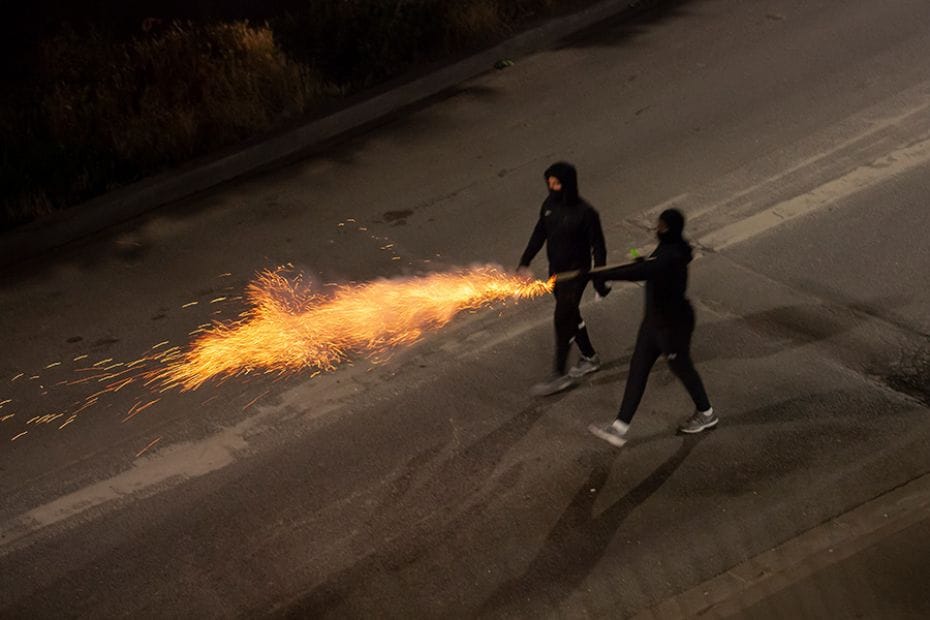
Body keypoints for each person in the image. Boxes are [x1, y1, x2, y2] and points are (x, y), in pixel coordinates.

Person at [587, 208, 716, 447]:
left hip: (671, 327)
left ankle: (706, 413)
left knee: (683, 369)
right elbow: (647, 267)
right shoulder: (668, 248)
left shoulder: (673, 254)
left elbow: (643, 271)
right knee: (638, 369)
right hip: (653, 324)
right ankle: (619, 427)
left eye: (662, 226)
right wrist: (637, 259)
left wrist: (603, 272)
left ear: (671, 229)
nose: (657, 229)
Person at [517, 162, 612, 396]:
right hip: (556, 274)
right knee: (571, 314)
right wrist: (525, 261)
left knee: (562, 319)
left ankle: (558, 374)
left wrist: (599, 278)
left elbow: (599, 248)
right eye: (549, 183)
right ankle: (590, 356)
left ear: (568, 184)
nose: (552, 188)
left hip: (576, 274)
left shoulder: (586, 213)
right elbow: (540, 233)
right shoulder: (548, 205)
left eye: (556, 183)